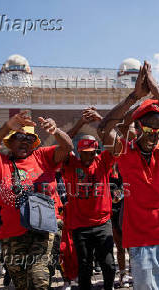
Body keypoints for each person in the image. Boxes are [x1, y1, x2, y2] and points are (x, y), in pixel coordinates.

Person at [99, 61, 159, 289]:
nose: (155, 135)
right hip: (141, 241)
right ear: (139, 127)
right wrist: (135, 96)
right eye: (150, 128)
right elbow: (103, 130)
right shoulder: (124, 152)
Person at [0, 111, 73, 290]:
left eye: (29, 138)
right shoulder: (0, 162)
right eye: (20, 136)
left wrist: (56, 131)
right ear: (11, 141)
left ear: (34, 143)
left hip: (44, 230)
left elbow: (67, 147)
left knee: (39, 279)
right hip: (12, 235)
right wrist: (6, 127)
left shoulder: (43, 156)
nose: (24, 141)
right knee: (22, 285)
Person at [62, 107, 116, 290]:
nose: (89, 155)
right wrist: (80, 124)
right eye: (85, 151)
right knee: (84, 268)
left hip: (102, 223)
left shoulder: (103, 161)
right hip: (80, 226)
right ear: (78, 151)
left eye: (92, 151)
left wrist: (101, 120)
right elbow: (63, 143)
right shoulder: (71, 165)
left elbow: (115, 143)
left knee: (109, 265)